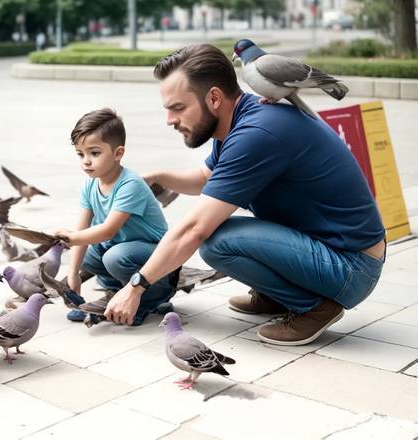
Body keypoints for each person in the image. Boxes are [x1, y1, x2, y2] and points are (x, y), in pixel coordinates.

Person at [104, 45, 386, 346]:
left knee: (217, 241)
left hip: (351, 267)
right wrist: (159, 177)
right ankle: (279, 296)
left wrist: (136, 287)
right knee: (218, 234)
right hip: (334, 251)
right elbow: (207, 178)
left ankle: (315, 308)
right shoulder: (239, 119)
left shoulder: (258, 133)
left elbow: (195, 229)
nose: (170, 120)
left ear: (214, 98)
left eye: (178, 108)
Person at [54, 108, 178, 326]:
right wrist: (73, 273)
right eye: (80, 154)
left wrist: (71, 238)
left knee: (114, 257)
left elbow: (108, 230)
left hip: (157, 254)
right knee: (90, 254)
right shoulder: (90, 185)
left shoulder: (130, 184)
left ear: (118, 153)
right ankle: (116, 293)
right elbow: (83, 231)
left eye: (94, 153)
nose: (86, 161)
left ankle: (152, 298)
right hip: (125, 249)